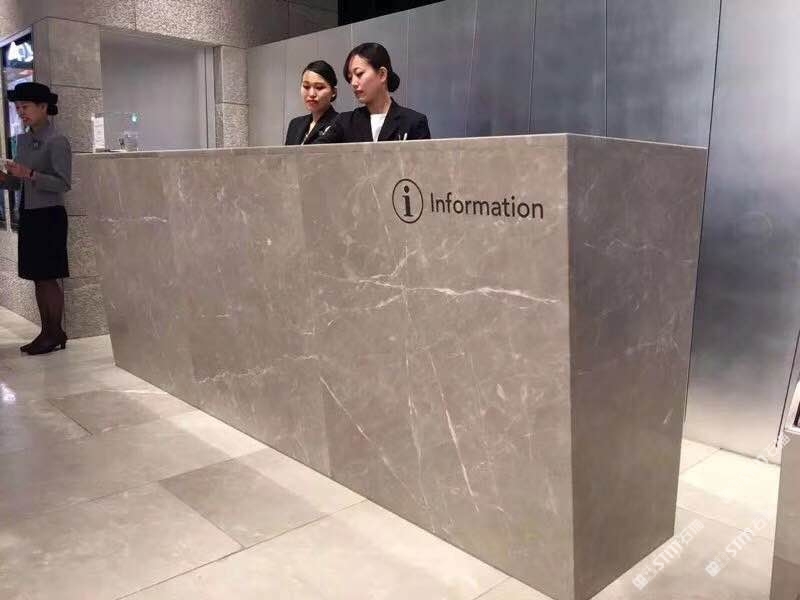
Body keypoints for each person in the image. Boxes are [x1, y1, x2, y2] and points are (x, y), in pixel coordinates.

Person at [0, 82, 71, 355]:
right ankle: (48, 332)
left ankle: (54, 332)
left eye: (25, 107)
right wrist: (6, 178)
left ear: (43, 107)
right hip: (29, 214)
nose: (21, 112)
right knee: (37, 277)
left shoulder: (57, 140)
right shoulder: (22, 140)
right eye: (18, 108)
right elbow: (19, 183)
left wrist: (29, 174)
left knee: (47, 277)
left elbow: (63, 183)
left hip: (49, 215)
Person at [312, 43, 430, 144]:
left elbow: (424, 163)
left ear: (382, 74)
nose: (353, 83)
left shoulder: (413, 122)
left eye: (359, 74)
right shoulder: (344, 122)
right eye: (350, 77)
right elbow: (312, 154)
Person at [285, 60, 339, 145]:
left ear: (333, 92)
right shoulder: (295, 124)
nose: (311, 94)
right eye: (306, 86)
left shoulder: (339, 123)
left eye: (319, 87)